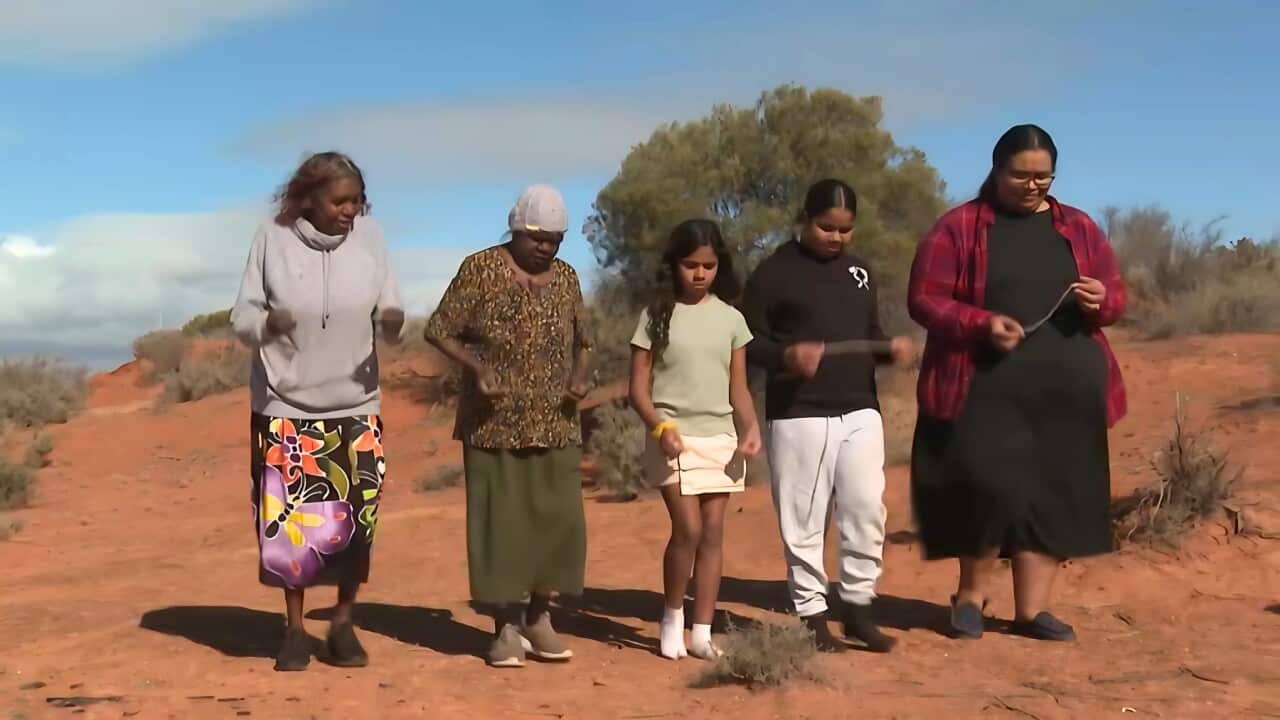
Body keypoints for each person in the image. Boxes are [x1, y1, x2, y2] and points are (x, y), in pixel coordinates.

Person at [907, 124, 1127, 642]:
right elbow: (925, 300)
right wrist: (979, 323)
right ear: (996, 168)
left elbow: (1115, 296)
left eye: (1044, 177)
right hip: (982, 386)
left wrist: (1103, 300)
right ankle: (969, 598)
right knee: (985, 487)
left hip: (1067, 389)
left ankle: (1033, 610)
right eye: (1020, 175)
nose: (1033, 186)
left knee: (1054, 493)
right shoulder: (957, 227)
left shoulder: (1079, 227)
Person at [231, 151, 405, 671]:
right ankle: (293, 630)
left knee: (355, 521)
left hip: (356, 403)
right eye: (339, 201)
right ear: (309, 198)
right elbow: (244, 315)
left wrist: (392, 319)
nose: (350, 211)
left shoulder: (371, 238)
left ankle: (344, 625)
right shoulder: (272, 238)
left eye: (356, 200)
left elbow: (388, 301)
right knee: (292, 527)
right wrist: (267, 325)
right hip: (287, 404)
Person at [425, 184, 593, 669]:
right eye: (537, 237)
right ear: (516, 230)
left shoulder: (566, 277)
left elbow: (585, 341)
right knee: (501, 523)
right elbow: (439, 329)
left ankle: (540, 617)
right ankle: (505, 626)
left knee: (556, 521)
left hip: (555, 420)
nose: (545, 247)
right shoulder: (479, 268)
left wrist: (581, 377)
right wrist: (476, 368)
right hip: (492, 420)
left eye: (555, 240)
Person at [742, 179, 913, 653]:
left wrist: (889, 349)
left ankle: (858, 607)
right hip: (799, 411)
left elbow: (870, 331)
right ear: (804, 218)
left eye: (845, 230)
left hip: (860, 406)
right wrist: (785, 356)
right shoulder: (774, 272)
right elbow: (746, 340)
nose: (836, 238)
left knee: (866, 509)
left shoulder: (860, 271)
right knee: (804, 518)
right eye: (826, 227)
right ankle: (812, 616)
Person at [628, 219, 763, 661]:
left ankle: (702, 632)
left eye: (709, 265)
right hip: (673, 437)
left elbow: (738, 388)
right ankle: (671, 617)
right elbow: (637, 391)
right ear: (674, 265)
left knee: (712, 533)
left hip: (719, 438)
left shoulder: (732, 319)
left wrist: (750, 428)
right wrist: (660, 429)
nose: (700, 273)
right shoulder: (654, 316)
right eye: (691, 264)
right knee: (686, 528)